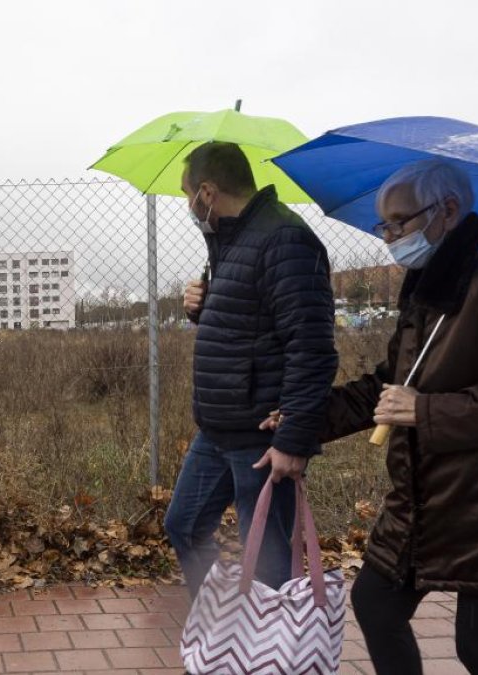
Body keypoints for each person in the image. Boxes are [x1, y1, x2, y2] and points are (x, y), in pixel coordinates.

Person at [291, 159, 478, 674]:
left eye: (399, 222)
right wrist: (303, 419)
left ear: (447, 210)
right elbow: (389, 386)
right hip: (421, 499)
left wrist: (425, 410)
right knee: (377, 605)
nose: (389, 237)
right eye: (384, 225)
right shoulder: (426, 289)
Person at [165, 141, 338, 598]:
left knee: (270, 559)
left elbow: (312, 346)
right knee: (183, 526)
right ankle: (227, 627)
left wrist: (293, 438)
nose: (189, 207)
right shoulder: (231, 239)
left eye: (188, 196)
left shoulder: (285, 238)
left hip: (262, 437)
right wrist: (199, 308)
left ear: (207, 191)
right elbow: (247, 322)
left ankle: (271, 653)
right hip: (217, 429)